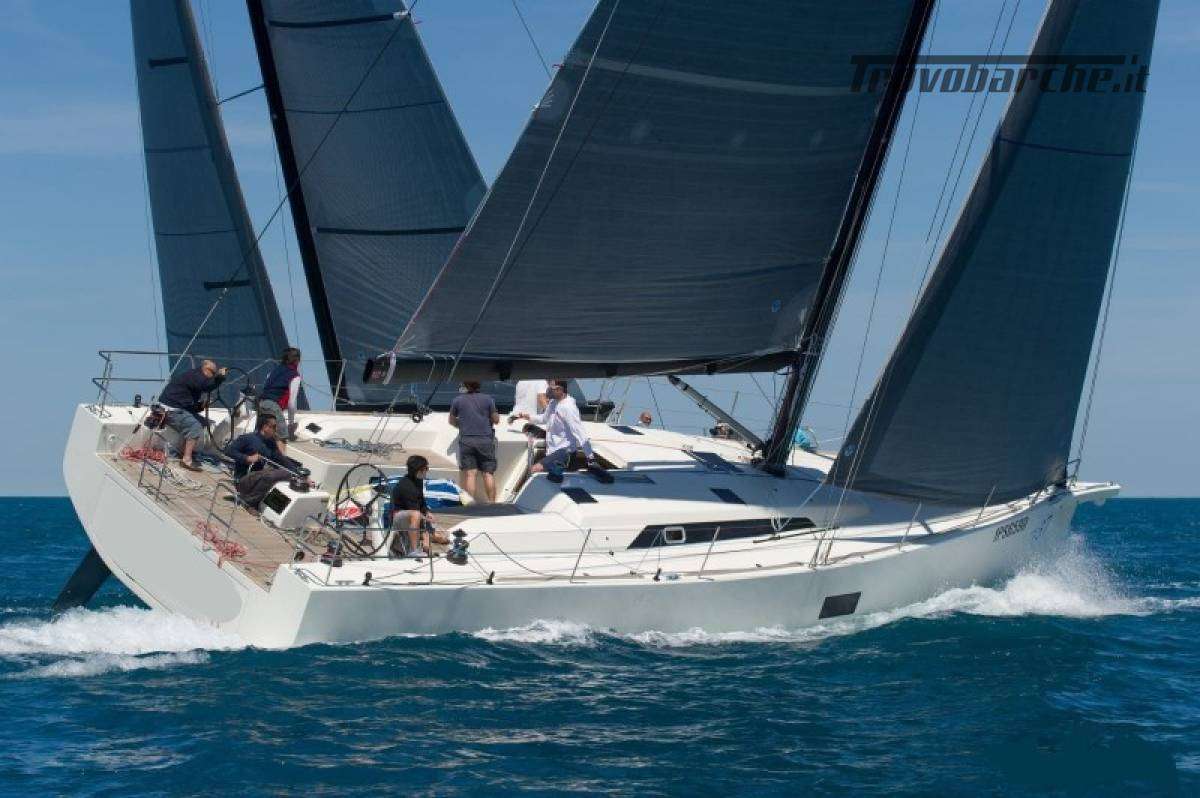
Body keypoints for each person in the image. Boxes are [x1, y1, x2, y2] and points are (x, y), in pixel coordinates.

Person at [516, 379, 594, 479]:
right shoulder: (553, 402)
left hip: (565, 452)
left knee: (535, 469)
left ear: (560, 390)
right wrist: (528, 417)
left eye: (551, 389)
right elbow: (544, 419)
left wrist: (591, 458)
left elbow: (580, 433)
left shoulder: (568, 407)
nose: (548, 391)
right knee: (551, 478)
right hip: (552, 451)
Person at [158, 359, 227, 471]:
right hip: (170, 409)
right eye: (213, 373)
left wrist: (201, 406)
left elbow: (190, 404)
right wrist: (219, 378)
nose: (213, 375)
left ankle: (183, 450)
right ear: (206, 369)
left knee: (205, 423)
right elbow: (206, 386)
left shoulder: (196, 376)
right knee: (195, 426)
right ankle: (186, 459)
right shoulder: (196, 376)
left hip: (179, 407)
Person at [226, 415, 302, 510]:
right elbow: (229, 450)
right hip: (242, 480)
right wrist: (247, 458)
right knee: (272, 475)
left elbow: (282, 460)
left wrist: (300, 475)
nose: (276, 429)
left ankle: (262, 503)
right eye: (274, 426)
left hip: (258, 479)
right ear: (265, 427)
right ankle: (248, 502)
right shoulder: (247, 438)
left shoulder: (271, 444)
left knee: (286, 474)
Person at [448, 381, 500, 502]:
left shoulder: (457, 400)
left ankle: (470, 505)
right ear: (479, 386)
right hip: (485, 441)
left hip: (466, 441)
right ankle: (492, 504)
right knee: (488, 473)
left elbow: (451, 421)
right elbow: (496, 420)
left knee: (470, 474)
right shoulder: (488, 399)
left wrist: (461, 425)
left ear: (466, 386)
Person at [389, 455, 450, 557]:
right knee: (417, 516)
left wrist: (427, 512)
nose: (427, 471)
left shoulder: (418, 481)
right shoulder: (406, 486)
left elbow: (421, 501)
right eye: (426, 468)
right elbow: (415, 511)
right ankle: (414, 550)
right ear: (419, 470)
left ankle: (429, 538)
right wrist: (425, 519)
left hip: (413, 514)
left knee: (442, 535)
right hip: (398, 517)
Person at [258, 347, 302, 453]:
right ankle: (282, 461)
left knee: (262, 434)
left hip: (260, 404)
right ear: (297, 360)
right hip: (273, 406)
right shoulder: (294, 376)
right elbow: (291, 403)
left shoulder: (274, 370)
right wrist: (290, 424)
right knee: (282, 437)